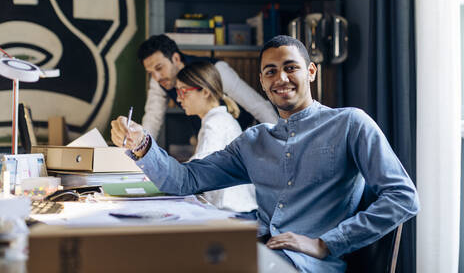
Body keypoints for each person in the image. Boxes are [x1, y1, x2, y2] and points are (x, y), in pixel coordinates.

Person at [112, 35, 420, 272]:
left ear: (311, 72)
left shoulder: (350, 123)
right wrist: (141, 145)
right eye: (270, 72)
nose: (281, 78)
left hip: (306, 265)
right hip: (257, 252)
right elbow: (185, 179)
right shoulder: (253, 140)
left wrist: (326, 243)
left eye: (291, 68)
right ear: (262, 81)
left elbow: (403, 197)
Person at [138, 34, 278, 138]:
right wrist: (140, 149)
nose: (156, 77)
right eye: (150, 73)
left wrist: (284, 142)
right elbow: (153, 119)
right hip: (207, 136)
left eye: (159, 68)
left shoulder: (217, 70)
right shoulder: (159, 81)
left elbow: (258, 106)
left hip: (246, 134)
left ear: (175, 58)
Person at [175, 61, 257, 212]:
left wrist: (166, 171)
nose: (179, 99)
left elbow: (197, 171)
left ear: (205, 92)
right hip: (232, 209)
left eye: (183, 92)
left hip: (232, 212)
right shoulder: (217, 119)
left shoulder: (216, 124)